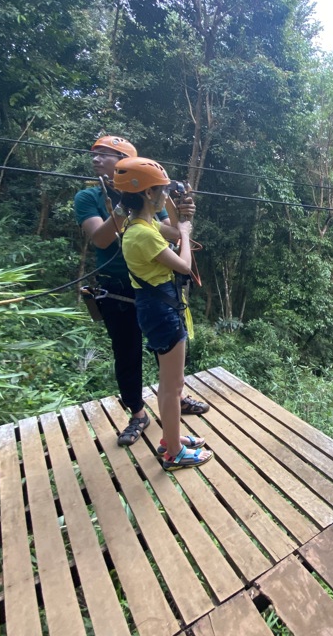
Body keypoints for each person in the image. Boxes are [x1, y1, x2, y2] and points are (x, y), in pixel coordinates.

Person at [74, 136, 208, 447]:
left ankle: (173, 403)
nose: (97, 160)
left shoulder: (146, 209)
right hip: (118, 288)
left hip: (155, 290)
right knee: (127, 353)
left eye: (107, 155)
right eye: (95, 155)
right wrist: (125, 203)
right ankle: (138, 413)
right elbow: (101, 239)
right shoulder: (89, 198)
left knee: (168, 364)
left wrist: (181, 212)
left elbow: (173, 232)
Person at [113, 155, 213, 470]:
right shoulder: (142, 233)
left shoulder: (138, 225)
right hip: (162, 310)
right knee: (173, 387)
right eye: (161, 190)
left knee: (170, 384)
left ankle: (171, 439)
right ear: (146, 193)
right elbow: (183, 262)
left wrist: (180, 219)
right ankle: (174, 454)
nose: (164, 195)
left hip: (154, 307)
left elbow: (171, 229)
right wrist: (184, 231)